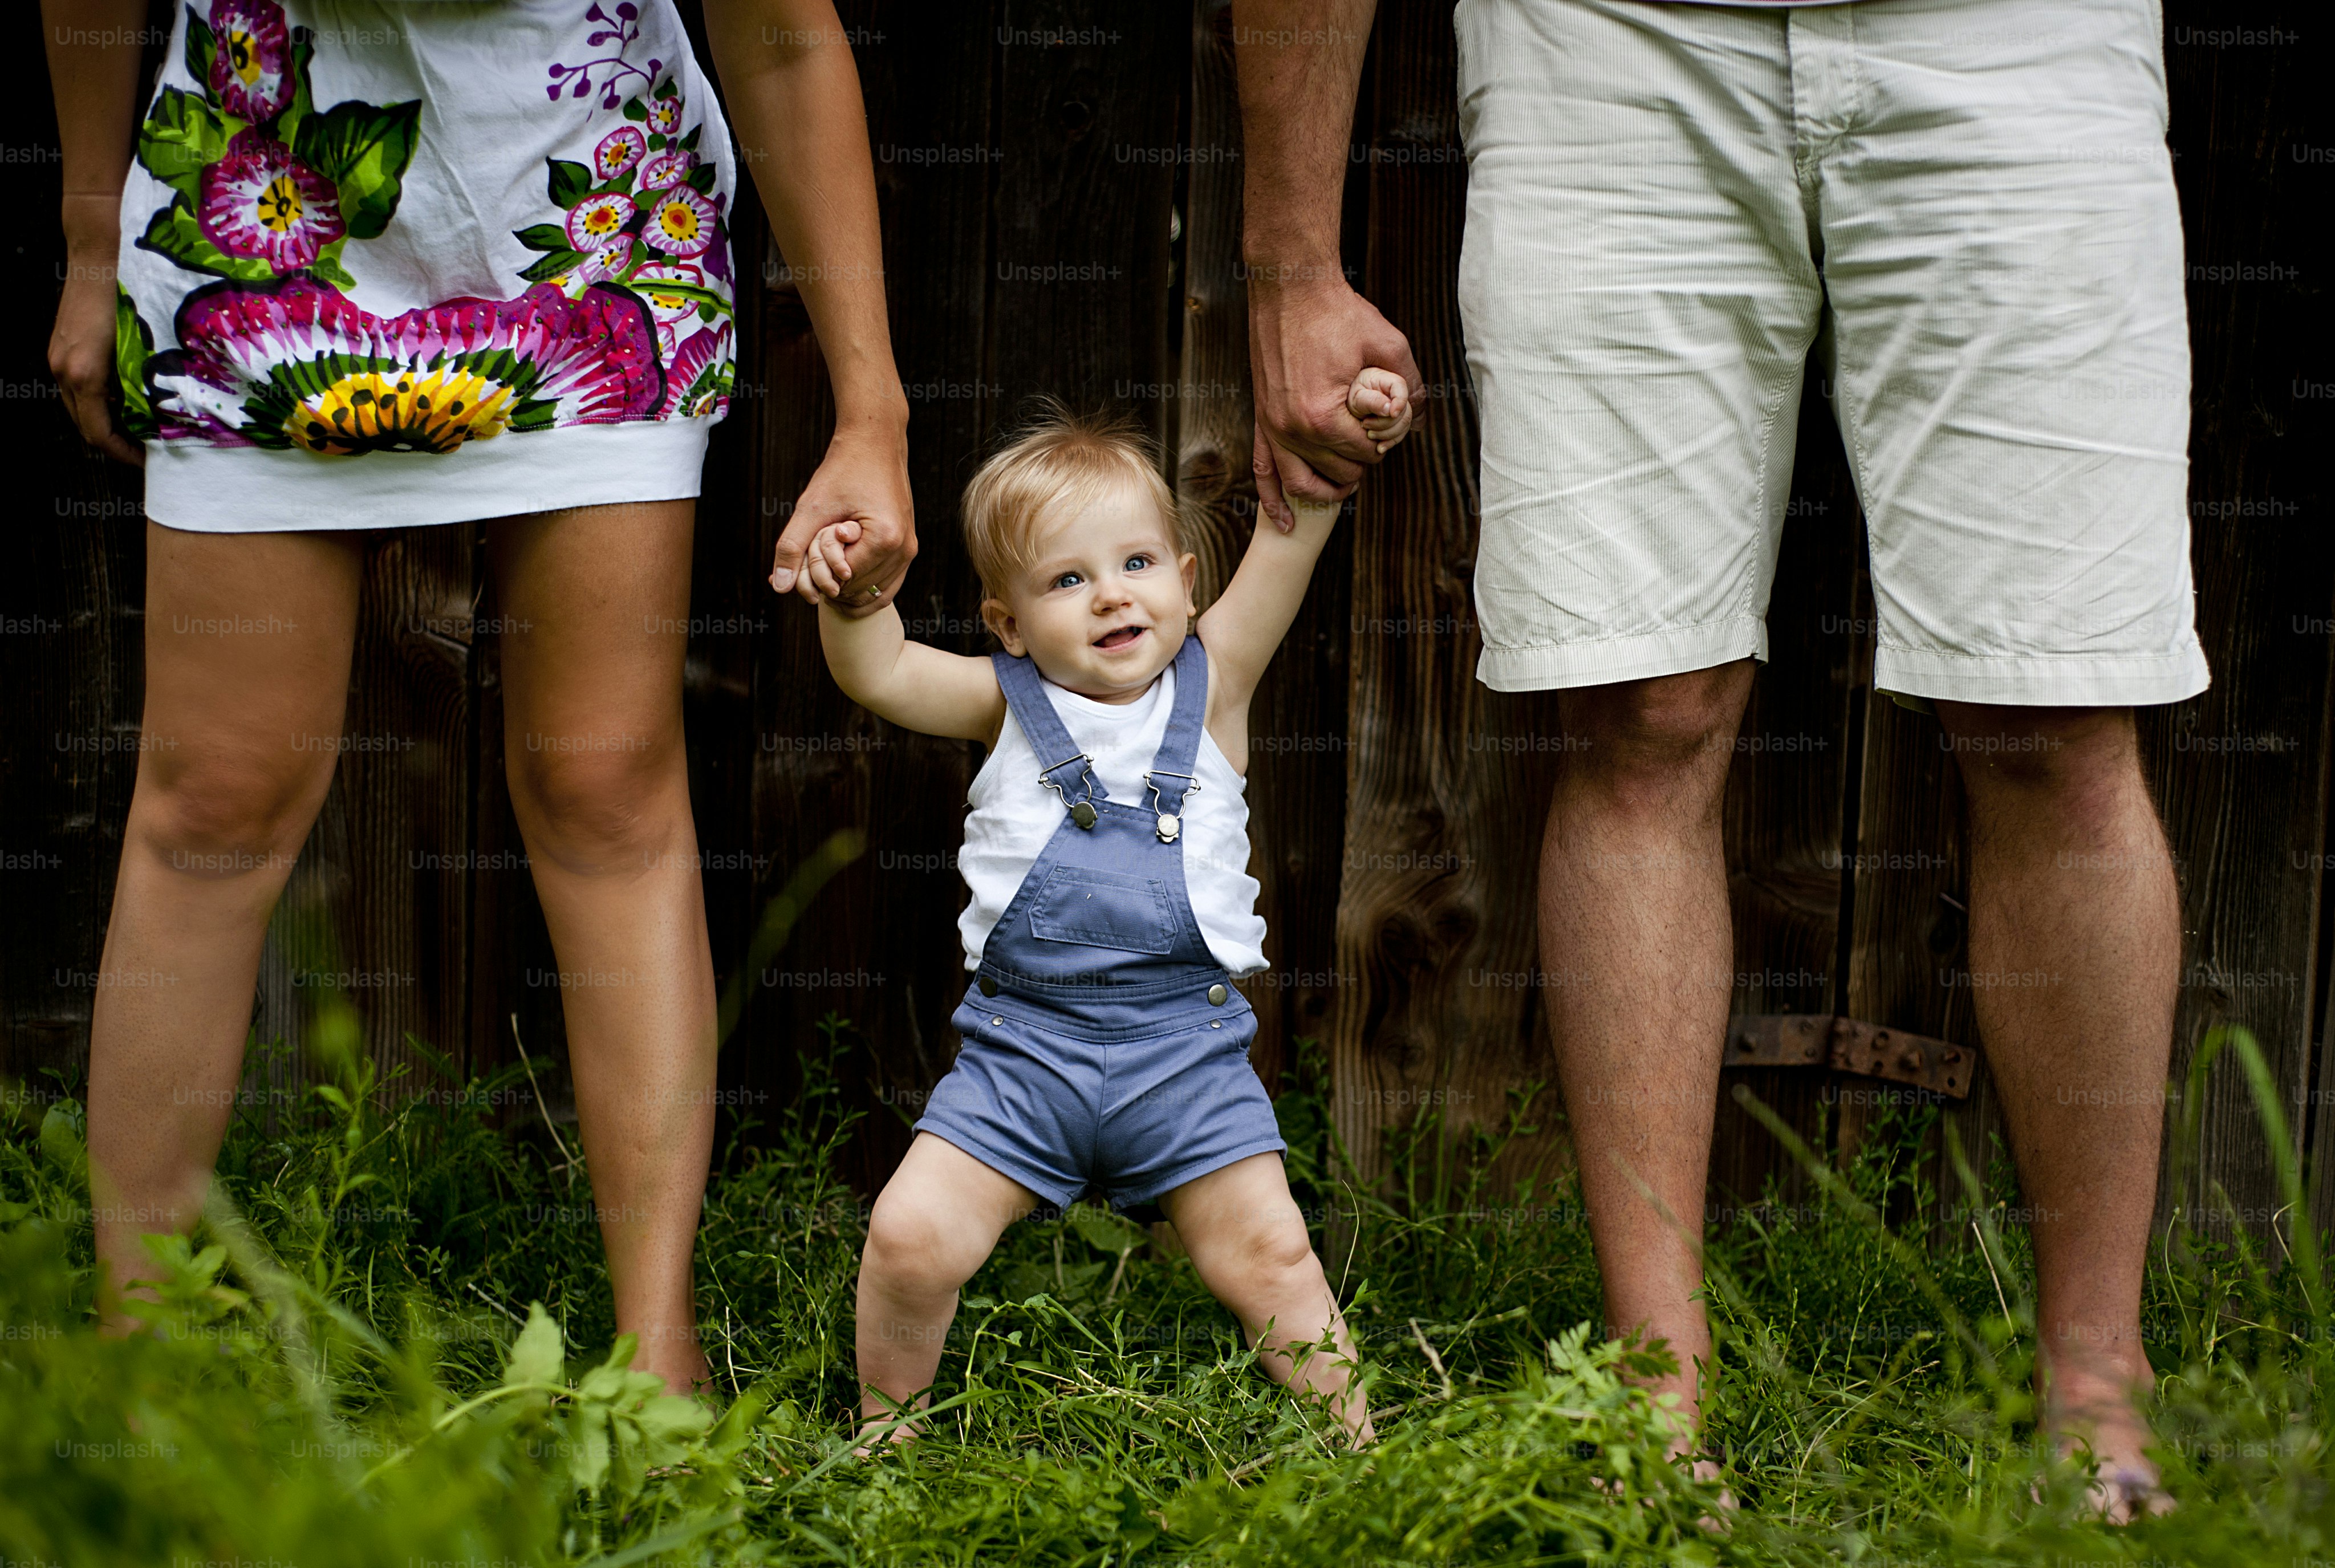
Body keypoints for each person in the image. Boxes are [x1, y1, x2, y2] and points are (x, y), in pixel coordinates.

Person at [1233, 0, 2201, 1519]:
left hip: (2020, 36)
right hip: (1606, 39)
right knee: (1642, 707)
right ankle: (1654, 1402)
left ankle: (2098, 1384)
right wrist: (1289, 254)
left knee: (2057, 708)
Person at [43, 0, 916, 1392]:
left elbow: (785, 36)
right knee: (212, 801)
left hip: (587, 222)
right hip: (259, 203)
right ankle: (135, 1352)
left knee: (603, 789)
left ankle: (652, 1361)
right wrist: (95, 243)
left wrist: (871, 411)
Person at [789, 391, 1410, 1449]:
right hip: (1022, 1056)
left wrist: (1329, 453)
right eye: (1067, 580)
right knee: (907, 1236)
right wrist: (854, 600)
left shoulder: (1214, 693)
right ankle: (886, 1439)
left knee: (1273, 1255)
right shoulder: (1003, 703)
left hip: (1188, 1059)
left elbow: (1289, 544)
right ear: (1008, 623)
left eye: (1136, 564)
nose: (1111, 598)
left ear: (1184, 577)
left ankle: (1361, 1442)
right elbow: (881, 671)